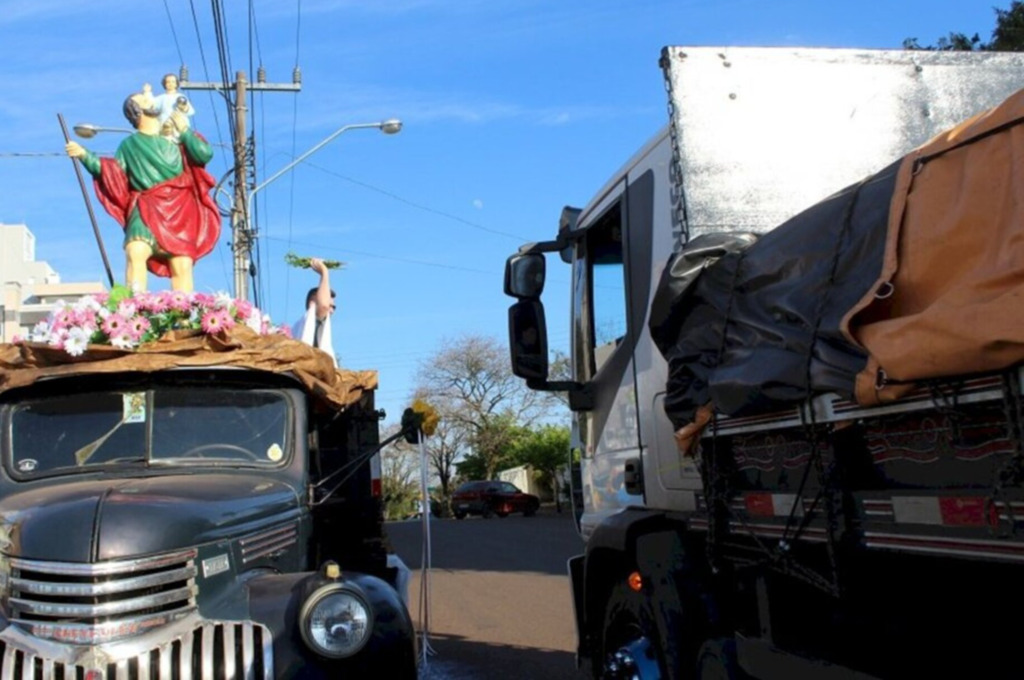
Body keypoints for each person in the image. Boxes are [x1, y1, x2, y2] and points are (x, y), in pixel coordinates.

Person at [65, 84, 219, 293]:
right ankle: (134, 309)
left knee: (181, 265)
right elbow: (113, 173)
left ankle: (182, 314)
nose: (151, 98)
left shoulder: (176, 136)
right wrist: (84, 154)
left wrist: (184, 131)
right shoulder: (129, 145)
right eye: (145, 99)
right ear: (137, 110)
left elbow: (203, 154)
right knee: (135, 250)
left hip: (180, 207)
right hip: (146, 204)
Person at [291, 257, 337, 363]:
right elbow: (323, 306)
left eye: (334, 307)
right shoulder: (310, 320)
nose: (331, 310)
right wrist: (324, 272)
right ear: (312, 303)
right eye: (331, 305)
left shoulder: (301, 325)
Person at [152, 73, 195, 140]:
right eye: (168, 82)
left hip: (179, 124)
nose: (170, 84)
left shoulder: (180, 96)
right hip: (165, 124)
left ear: (176, 84)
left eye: (173, 82)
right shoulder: (161, 98)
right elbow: (151, 106)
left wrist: (184, 107)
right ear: (165, 84)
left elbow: (190, 111)